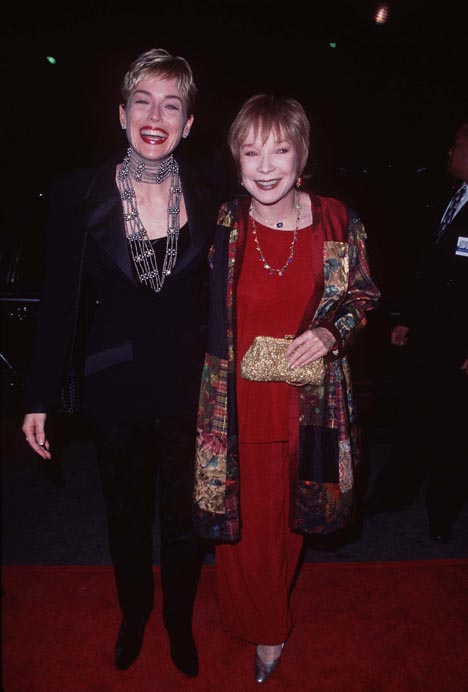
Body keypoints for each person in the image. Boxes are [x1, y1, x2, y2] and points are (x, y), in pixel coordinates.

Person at [21, 48, 225, 677]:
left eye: (172, 104)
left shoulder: (216, 190)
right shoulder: (76, 193)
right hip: (113, 385)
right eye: (143, 101)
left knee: (185, 520)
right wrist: (38, 395)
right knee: (127, 516)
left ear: (189, 123)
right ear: (121, 113)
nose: (155, 115)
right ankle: (135, 615)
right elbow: (58, 301)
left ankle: (178, 622)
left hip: (190, 387)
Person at [192, 94, 380, 683]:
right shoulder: (222, 221)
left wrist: (331, 331)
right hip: (237, 407)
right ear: (236, 159)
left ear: (302, 157)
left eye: (279, 149)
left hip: (313, 406)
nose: (265, 165)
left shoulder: (336, 219)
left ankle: (261, 611)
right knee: (243, 525)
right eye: (251, 151)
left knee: (292, 520)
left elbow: (363, 295)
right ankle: (267, 627)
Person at [365, 122, 468, 542]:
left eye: (458, 145)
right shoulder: (449, 198)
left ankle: (441, 514)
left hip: (461, 348)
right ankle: (393, 493)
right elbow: (428, 270)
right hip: (428, 337)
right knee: (412, 419)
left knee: (453, 432)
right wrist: (406, 318)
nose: (450, 151)